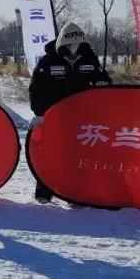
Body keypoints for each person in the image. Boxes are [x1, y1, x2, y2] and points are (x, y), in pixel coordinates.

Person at [29, 21, 111, 202]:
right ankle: (44, 191)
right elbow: (36, 89)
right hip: (54, 116)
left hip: (82, 115)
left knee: (80, 153)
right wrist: (39, 113)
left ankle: (77, 192)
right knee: (51, 152)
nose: (75, 48)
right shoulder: (48, 61)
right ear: (63, 44)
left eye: (78, 44)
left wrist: (102, 85)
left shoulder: (89, 58)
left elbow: (102, 78)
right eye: (70, 45)